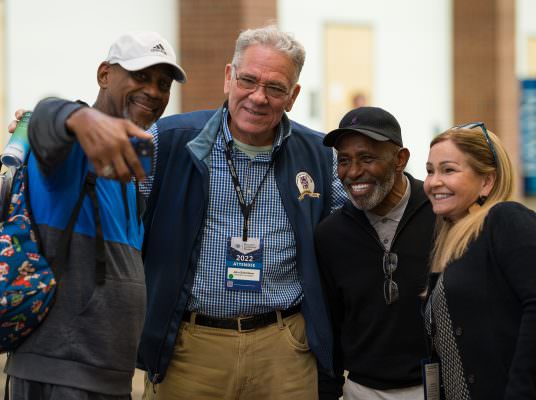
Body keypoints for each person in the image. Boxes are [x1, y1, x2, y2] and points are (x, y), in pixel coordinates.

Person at [28, 25, 348, 399]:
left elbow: (356, 228)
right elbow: (104, 190)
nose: (258, 97)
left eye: (275, 88)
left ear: (292, 96)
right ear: (229, 77)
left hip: (284, 349)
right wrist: (62, 119)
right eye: (248, 80)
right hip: (189, 348)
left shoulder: (320, 156)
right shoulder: (169, 140)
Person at [4, 32, 186, 399]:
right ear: (104, 75)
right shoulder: (70, 147)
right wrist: (81, 116)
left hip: (107, 376)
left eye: (163, 84)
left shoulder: (128, 166)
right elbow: (46, 117)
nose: (153, 91)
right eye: (140, 76)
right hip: (59, 374)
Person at [315, 106, 436, 399]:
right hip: (359, 389)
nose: (353, 172)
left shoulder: (441, 215)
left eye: (367, 158)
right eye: (344, 160)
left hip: (435, 385)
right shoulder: (330, 235)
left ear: (400, 159)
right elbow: (330, 322)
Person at [423, 124, 536, 399]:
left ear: (487, 181)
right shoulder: (448, 240)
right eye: (429, 171)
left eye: (448, 170)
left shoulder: (505, 219)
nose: (434, 182)